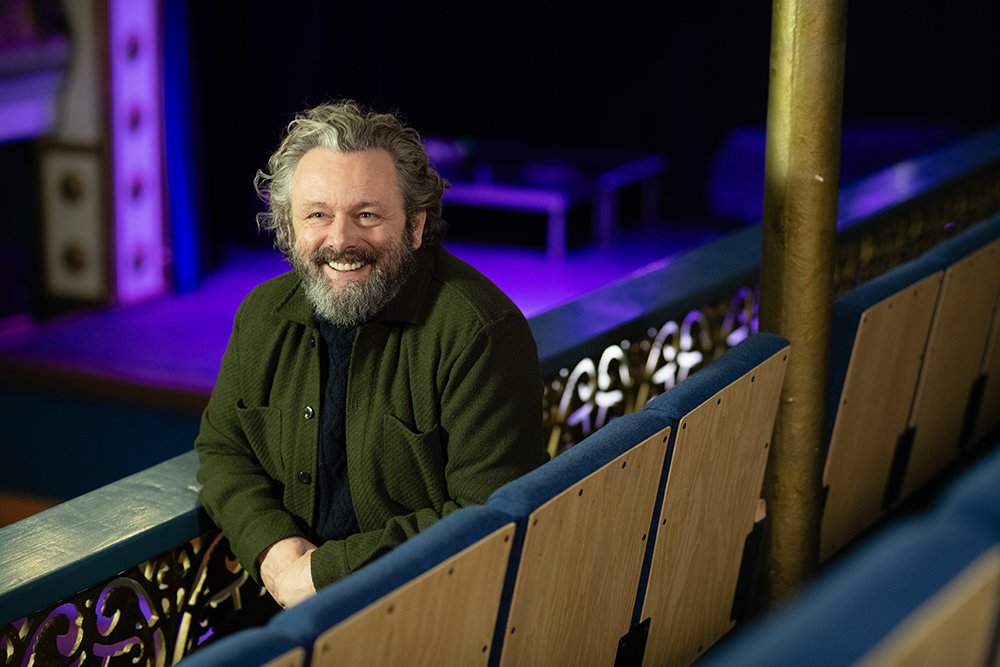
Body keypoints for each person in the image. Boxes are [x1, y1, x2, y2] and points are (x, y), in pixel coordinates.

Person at [194, 99, 548, 613]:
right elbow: (223, 449)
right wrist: (273, 550)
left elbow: (487, 516)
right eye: (317, 215)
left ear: (415, 226)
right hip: (284, 612)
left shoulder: (479, 333)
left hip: (433, 617)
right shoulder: (260, 316)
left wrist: (322, 573)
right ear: (289, 229)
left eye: (366, 215)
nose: (341, 240)